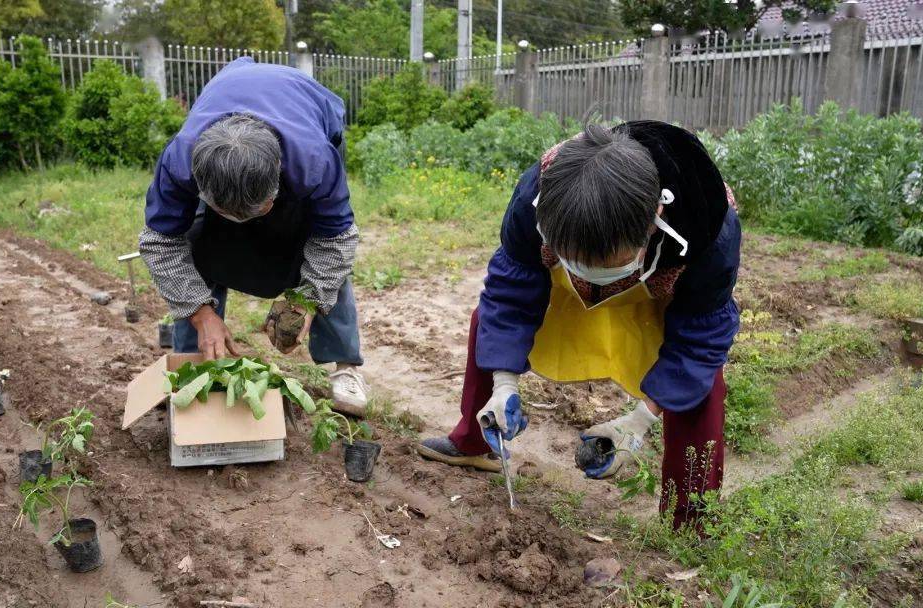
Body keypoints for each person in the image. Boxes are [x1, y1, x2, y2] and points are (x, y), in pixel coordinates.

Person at [417, 121, 741, 527]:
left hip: (655, 296)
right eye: (578, 258)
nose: (591, 270)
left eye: (605, 263)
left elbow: (699, 338)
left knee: (704, 385)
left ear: (653, 218)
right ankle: (474, 439)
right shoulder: (538, 191)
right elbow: (509, 293)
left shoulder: (711, 227)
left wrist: (638, 422)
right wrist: (504, 384)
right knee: (487, 319)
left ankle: (692, 517)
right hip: (566, 291)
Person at [139, 58, 369, 415]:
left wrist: (307, 299)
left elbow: (335, 238)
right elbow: (161, 241)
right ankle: (193, 360)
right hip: (230, 118)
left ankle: (346, 368)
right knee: (199, 242)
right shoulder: (181, 160)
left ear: (278, 179)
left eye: (258, 209)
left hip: (304, 111)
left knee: (323, 241)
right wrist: (201, 312)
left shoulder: (314, 161)